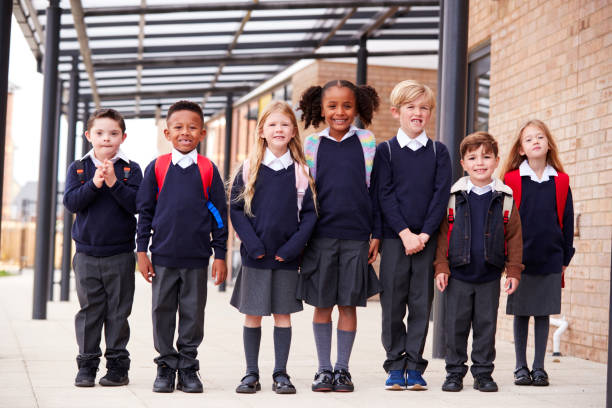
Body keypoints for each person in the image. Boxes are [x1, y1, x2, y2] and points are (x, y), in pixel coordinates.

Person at [136, 100, 228, 394]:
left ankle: (188, 366)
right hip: (162, 257)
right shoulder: (158, 168)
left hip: (197, 258)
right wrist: (141, 252)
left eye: (192, 127)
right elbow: (145, 213)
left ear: (202, 133)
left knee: (192, 313)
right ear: (167, 133)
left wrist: (220, 254)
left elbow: (218, 215)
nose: (185, 132)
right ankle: (165, 366)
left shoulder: (208, 170)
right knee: (162, 311)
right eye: (178, 127)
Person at [297, 79, 381, 393]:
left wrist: (377, 233)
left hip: (357, 236)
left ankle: (342, 369)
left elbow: (374, 191)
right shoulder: (312, 145)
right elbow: (306, 194)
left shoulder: (367, 141)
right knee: (322, 305)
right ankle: (323, 369)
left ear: (357, 107)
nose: (339, 112)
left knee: (348, 305)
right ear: (321, 108)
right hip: (320, 237)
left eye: (346, 105)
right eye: (332, 106)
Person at [229, 101, 318, 394]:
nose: (279, 129)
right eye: (273, 124)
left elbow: (309, 215)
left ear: (293, 131)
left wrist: (293, 247)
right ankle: (250, 373)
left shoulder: (301, 171)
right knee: (252, 314)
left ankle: (281, 373)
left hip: (286, 257)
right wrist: (252, 244)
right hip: (256, 255)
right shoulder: (249, 167)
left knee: (282, 315)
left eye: (284, 124)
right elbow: (237, 210)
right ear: (262, 131)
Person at [373, 80, 451, 391]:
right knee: (393, 303)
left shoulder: (438, 152)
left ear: (430, 113)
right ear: (396, 112)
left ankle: (415, 366)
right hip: (395, 241)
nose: (417, 113)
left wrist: (424, 234)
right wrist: (405, 234)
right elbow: (384, 194)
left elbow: (439, 195)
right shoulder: (386, 152)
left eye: (423, 108)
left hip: (426, 241)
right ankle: (395, 365)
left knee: (421, 304)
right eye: (410, 107)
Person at [434, 131, 523, 393]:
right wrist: (441, 266)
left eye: (486, 156)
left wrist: (514, 271)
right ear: (463, 163)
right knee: (455, 327)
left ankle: (483, 373)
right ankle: (454, 373)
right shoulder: (453, 196)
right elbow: (442, 236)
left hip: (489, 276)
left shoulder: (505, 197)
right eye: (472, 157)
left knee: (486, 327)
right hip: (458, 276)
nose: (480, 162)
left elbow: (515, 236)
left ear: (496, 160)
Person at [64, 108, 143, 387]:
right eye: (99, 133)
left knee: (119, 312)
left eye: (113, 133)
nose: (106, 138)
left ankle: (118, 367)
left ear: (122, 137)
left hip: (120, 254)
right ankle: (86, 365)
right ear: (89, 136)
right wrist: (96, 183)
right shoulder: (79, 168)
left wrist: (112, 183)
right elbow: (72, 203)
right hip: (86, 254)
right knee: (89, 311)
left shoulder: (130, 169)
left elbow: (137, 205)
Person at [501, 119, 575, 387]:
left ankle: (539, 367)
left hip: (551, 258)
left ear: (548, 144)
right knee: (521, 313)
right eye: (529, 139)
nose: (535, 141)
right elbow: (503, 221)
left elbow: (568, 222)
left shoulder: (562, 181)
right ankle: (520, 367)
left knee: (543, 313)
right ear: (521, 149)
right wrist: (507, 260)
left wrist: (565, 258)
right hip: (520, 260)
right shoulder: (511, 180)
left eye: (540, 137)